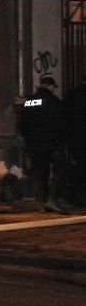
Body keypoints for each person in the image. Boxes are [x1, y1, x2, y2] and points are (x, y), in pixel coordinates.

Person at [20, 76, 70, 213]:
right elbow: (61, 124)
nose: (54, 89)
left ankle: (43, 201)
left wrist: (28, 139)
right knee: (61, 170)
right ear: (50, 86)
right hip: (52, 143)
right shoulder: (54, 102)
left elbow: (22, 124)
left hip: (34, 143)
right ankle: (52, 198)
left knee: (40, 172)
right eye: (53, 86)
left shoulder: (29, 101)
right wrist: (63, 138)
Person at [63, 73, 86, 206]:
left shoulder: (71, 95)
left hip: (74, 139)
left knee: (78, 166)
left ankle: (73, 193)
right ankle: (76, 193)